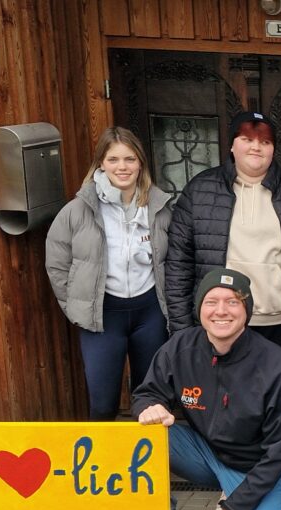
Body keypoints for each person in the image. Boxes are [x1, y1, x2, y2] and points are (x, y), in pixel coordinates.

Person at [133, 268, 281, 510]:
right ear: (200, 308)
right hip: (208, 455)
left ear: (247, 310)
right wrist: (149, 407)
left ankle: (249, 502)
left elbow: (279, 454)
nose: (221, 311)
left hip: (260, 467)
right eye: (211, 301)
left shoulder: (277, 366)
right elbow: (146, 393)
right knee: (142, 434)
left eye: (232, 302)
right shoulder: (181, 347)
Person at [165, 111, 281, 357]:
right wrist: (182, 329)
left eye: (265, 142)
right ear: (232, 145)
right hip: (220, 324)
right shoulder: (200, 191)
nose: (256, 147)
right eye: (247, 139)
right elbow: (178, 265)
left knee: (277, 395)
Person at [45, 127, 171, 420]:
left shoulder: (160, 208)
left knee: (151, 401)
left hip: (149, 311)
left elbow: (174, 259)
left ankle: (145, 465)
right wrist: (76, 305)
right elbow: (56, 262)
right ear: (101, 163)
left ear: (140, 162)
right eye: (113, 159)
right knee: (102, 404)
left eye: (129, 159)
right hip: (102, 316)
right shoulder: (78, 210)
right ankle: (106, 463)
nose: (122, 167)